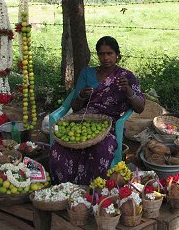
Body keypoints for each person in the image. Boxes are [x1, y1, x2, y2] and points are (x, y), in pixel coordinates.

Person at [49, 36, 145, 185]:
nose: (105, 57)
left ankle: (94, 187)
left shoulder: (126, 76)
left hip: (108, 123)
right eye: (101, 54)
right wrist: (81, 95)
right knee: (60, 145)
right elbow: (75, 107)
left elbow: (140, 107)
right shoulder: (87, 73)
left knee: (101, 148)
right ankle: (65, 186)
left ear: (117, 55)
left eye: (110, 53)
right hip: (82, 120)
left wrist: (127, 90)